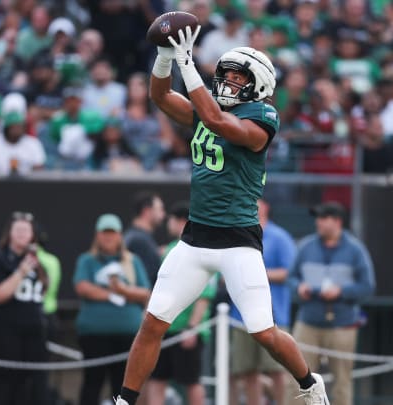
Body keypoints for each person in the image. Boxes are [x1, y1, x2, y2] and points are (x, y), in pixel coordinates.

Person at [116, 27, 330, 405]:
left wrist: (187, 62)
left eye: (238, 76)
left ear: (257, 83)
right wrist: (166, 57)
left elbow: (217, 121)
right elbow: (160, 95)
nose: (228, 81)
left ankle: (311, 383)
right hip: (194, 238)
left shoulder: (263, 116)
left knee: (263, 332)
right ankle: (124, 401)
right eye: (225, 74)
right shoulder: (209, 107)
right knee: (152, 323)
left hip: (237, 240)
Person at [288, 201, 376, 405]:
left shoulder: (355, 250)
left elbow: (367, 287)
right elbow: (291, 278)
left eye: (323, 218)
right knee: (297, 381)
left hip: (343, 325)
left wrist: (342, 292)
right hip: (308, 322)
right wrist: (299, 287)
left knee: (342, 384)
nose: (318, 222)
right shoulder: (305, 246)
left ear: (337, 222)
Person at [75, 214, 151, 404]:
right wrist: (113, 293)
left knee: (122, 386)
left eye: (112, 233)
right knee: (93, 383)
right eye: (104, 233)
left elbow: (145, 292)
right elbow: (82, 287)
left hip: (127, 335)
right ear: (97, 235)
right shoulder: (87, 260)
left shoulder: (132, 261)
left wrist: (122, 290)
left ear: (119, 235)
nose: (108, 237)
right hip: (94, 335)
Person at [146, 202, 215, 405]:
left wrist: (192, 328)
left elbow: (205, 294)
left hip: (186, 329)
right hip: (164, 327)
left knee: (191, 381)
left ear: (182, 222)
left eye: (172, 219)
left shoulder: (204, 250)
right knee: (157, 379)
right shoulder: (168, 250)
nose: (168, 222)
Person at [230, 198, 296, 405]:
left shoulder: (280, 237)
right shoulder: (236, 234)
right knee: (247, 371)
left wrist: (256, 274)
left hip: (273, 315)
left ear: (266, 206)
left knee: (277, 370)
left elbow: (290, 272)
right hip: (239, 316)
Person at [0, 212, 49, 405]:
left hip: (33, 333)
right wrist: (20, 273)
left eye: (26, 230)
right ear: (9, 233)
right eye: (17, 229)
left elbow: (43, 292)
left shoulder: (38, 262)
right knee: (5, 383)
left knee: (32, 385)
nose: (21, 234)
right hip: (4, 332)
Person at [123, 192, 165, 285]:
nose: (163, 215)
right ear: (146, 211)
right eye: (160, 209)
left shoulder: (136, 237)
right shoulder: (139, 240)